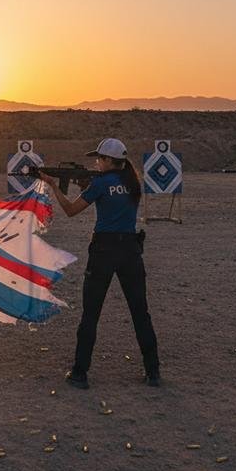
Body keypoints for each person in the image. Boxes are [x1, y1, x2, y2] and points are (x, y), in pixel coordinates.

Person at [38, 138, 160, 389]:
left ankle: (80, 372)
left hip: (104, 250)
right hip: (130, 250)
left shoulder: (101, 183)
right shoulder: (132, 182)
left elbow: (71, 210)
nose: (96, 162)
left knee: (91, 313)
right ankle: (153, 371)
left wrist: (53, 185)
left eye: (99, 158)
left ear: (107, 161)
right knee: (140, 312)